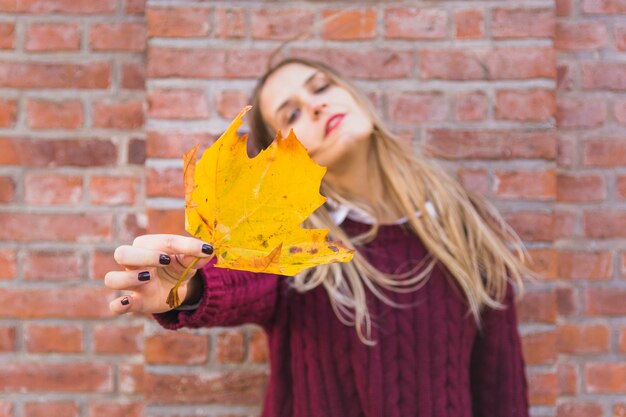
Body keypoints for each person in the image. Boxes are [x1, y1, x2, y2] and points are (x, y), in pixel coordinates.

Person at [106, 57, 533, 417]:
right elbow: (242, 280)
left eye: (320, 87)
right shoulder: (295, 242)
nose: (314, 106)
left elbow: (501, 387)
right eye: (290, 114)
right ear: (287, 154)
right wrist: (190, 286)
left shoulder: (463, 226)